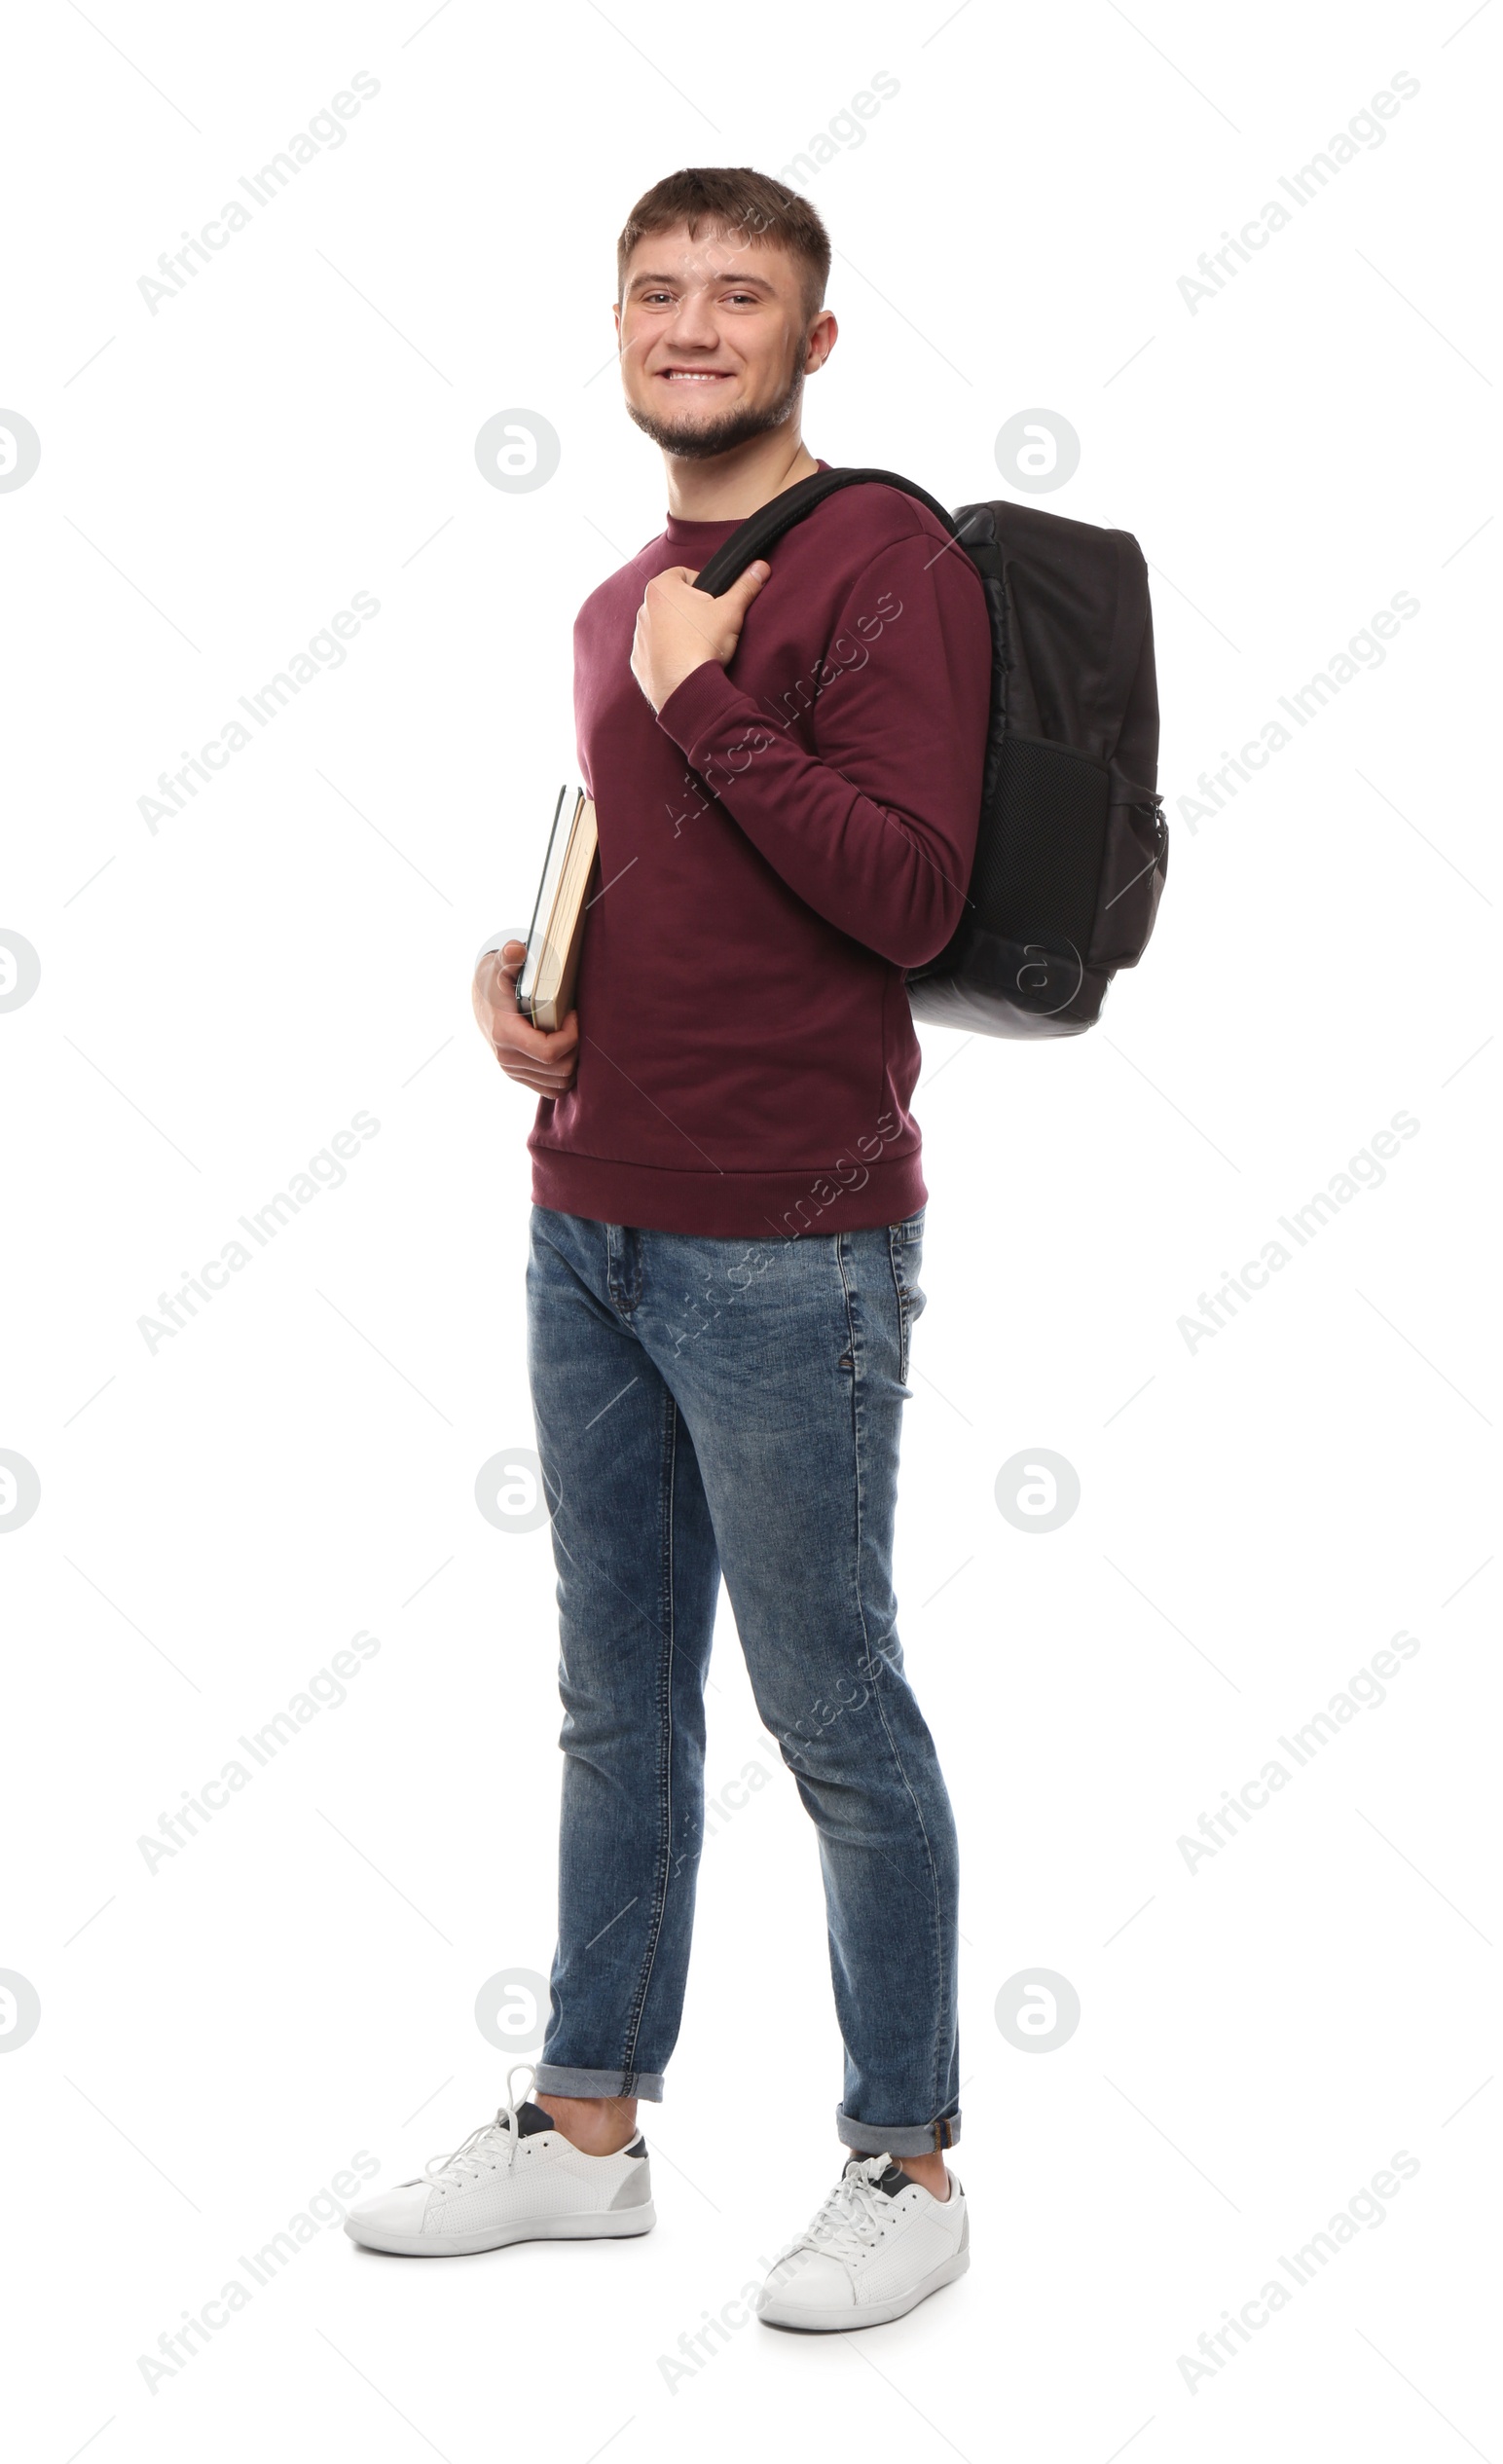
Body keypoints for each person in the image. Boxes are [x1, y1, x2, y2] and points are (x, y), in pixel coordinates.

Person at [347, 166, 991, 2334]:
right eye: (655, 291)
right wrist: (515, 987)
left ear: (814, 341)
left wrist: (707, 694)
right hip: (589, 1218)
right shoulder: (623, 587)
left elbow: (904, 892)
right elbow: (669, 889)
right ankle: (590, 2126)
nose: (688, 324)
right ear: (614, 325)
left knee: (831, 1709)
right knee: (615, 1701)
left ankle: (900, 2158)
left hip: (790, 1249)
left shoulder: (880, 562)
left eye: (738, 296)